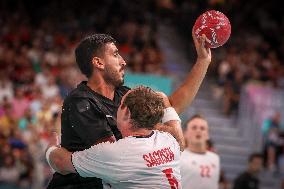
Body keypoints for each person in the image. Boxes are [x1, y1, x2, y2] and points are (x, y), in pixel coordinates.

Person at [47, 30, 211, 188]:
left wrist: (203, 61)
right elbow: (115, 153)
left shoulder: (125, 95)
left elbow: (171, 106)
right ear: (98, 63)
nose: (123, 61)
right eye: (116, 54)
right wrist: (159, 130)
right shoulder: (81, 101)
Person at [46, 86, 183, 188]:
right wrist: (165, 102)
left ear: (127, 113)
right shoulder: (169, 141)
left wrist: (51, 148)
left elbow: (60, 162)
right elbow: (177, 135)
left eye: (120, 104)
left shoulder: (115, 154)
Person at [180, 114, 220, 189]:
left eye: (202, 128)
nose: (198, 131)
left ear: (207, 135)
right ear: (185, 133)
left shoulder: (215, 158)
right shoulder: (179, 157)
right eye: (194, 128)